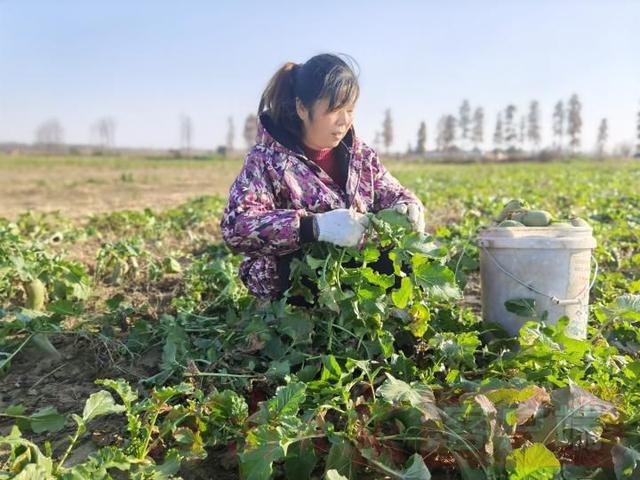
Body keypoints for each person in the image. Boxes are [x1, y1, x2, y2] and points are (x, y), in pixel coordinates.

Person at [220, 53, 425, 304]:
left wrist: (409, 206)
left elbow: (391, 191)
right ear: (302, 108)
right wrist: (313, 227)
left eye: (350, 110)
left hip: (354, 267)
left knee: (403, 262)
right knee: (303, 271)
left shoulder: (361, 155)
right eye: (334, 110)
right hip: (293, 278)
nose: (344, 121)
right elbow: (237, 226)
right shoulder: (266, 160)